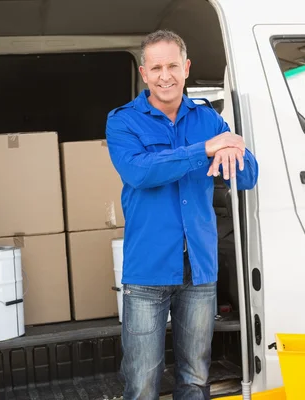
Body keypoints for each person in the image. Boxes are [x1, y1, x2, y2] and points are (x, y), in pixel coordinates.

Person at [105, 30, 259, 400]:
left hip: (200, 270)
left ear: (186, 68)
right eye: (156, 67)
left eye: (172, 65)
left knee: (194, 379)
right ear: (144, 74)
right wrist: (206, 149)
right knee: (141, 383)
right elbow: (140, 172)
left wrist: (234, 144)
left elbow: (248, 175)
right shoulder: (123, 121)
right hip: (148, 271)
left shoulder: (208, 119)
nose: (165, 75)